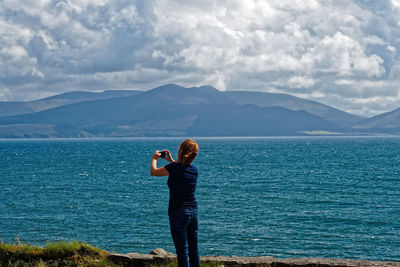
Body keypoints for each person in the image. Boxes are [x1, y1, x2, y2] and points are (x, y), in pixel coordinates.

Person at [150, 139, 200, 267]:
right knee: (194, 249)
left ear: (181, 151)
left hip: (178, 212)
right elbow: (181, 170)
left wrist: (155, 158)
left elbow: (153, 172)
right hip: (193, 212)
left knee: (182, 251)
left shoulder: (173, 168)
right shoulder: (194, 171)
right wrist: (171, 161)